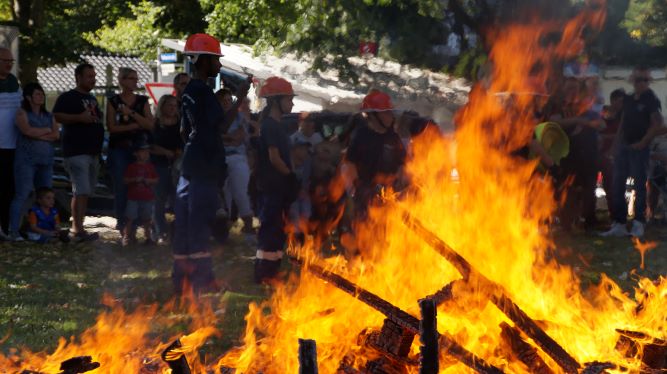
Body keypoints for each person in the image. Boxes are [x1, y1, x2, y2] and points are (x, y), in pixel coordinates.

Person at [172, 33, 227, 294]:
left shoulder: (188, 92)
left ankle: (180, 281)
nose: (219, 65)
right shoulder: (203, 91)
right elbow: (221, 125)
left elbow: (184, 132)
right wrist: (238, 97)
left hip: (190, 167)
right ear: (204, 61)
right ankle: (202, 281)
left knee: (185, 225)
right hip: (203, 168)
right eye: (216, 60)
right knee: (199, 226)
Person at [602, 67, 665, 237]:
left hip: (639, 148)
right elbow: (622, 123)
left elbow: (657, 123)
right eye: (638, 80)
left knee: (639, 185)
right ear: (633, 81)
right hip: (624, 146)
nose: (642, 83)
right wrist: (615, 145)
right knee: (617, 184)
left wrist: (644, 141)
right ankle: (619, 223)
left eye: (645, 80)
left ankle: (638, 223)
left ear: (648, 82)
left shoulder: (650, 99)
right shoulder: (628, 99)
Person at [53, 63, 104, 242]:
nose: (93, 79)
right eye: (89, 76)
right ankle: (77, 229)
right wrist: (79, 118)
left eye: (94, 75)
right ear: (78, 77)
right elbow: (57, 116)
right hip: (76, 151)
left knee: (87, 191)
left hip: (92, 152)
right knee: (80, 190)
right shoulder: (68, 97)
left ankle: (80, 227)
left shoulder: (92, 99)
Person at [254, 76, 298, 284]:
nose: (292, 103)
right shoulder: (270, 126)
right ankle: (264, 274)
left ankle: (272, 271)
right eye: (289, 99)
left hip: (278, 187)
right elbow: (274, 157)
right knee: (270, 229)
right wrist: (290, 176)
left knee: (278, 230)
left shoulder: (277, 125)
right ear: (276, 101)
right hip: (272, 186)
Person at [342, 90, 407, 221]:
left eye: (390, 112)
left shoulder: (393, 138)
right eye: (386, 112)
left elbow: (402, 164)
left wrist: (400, 183)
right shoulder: (361, 136)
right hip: (365, 197)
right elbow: (349, 166)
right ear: (373, 115)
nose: (391, 116)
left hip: (389, 195)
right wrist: (355, 192)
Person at [8, 83, 60, 241]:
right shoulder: (21, 113)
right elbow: (26, 131)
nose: (41, 97)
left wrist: (38, 133)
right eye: (37, 94)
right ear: (28, 97)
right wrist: (45, 131)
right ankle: (14, 231)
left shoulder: (49, 115)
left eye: (42, 94)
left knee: (46, 196)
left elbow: (56, 135)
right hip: (26, 161)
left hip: (46, 161)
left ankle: (45, 230)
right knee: (22, 194)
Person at [106, 67, 154, 233]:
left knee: (142, 184)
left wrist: (132, 113)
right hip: (119, 149)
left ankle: (142, 222)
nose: (135, 81)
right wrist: (135, 125)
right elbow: (111, 127)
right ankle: (123, 224)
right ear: (122, 80)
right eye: (131, 78)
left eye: (136, 78)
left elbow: (150, 124)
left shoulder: (142, 101)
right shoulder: (113, 101)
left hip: (139, 149)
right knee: (122, 186)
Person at [215, 88, 254, 237]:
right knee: (225, 195)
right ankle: (225, 229)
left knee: (240, 192)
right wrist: (227, 137)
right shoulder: (213, 118)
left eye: (228, 101)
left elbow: (238, 138)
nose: (226, 104)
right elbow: (216, 138)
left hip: (238, 157)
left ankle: (249, 225)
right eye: (223, 101)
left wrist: (224, 137)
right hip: (219, 160)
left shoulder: (239, 117)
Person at [151, 94, 183, 243]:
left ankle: (178, 230)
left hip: (177, 164)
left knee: (178, 198)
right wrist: (165, 152)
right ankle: (160, 231)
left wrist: (178, 152)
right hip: (159, 163)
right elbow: (150, 145)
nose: (172, 108)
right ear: (162, 106)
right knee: (159, 199)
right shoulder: (155, 124)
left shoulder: (180, 123)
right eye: (169, 105)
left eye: (175, 105)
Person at [0, 47, 21, 240]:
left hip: (11, 146)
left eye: (11, 61)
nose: (8, 64)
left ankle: (4, 228)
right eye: (5, 60)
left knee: (8, 189)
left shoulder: (15, 83)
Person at [123, 142, 158, 247]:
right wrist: (134, 179)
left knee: (147, 219)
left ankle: (148, 238)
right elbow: (125, 180)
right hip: (133, 198)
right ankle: (127, 237)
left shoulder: (150, 167)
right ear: (136, 154)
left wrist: (149, 181)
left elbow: (156, 179)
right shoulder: (131, 167)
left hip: (147, 198)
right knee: (129, 218)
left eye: (147, 152)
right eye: (143, 152)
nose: (146, 154)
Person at [599, 88, 625, 215]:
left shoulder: (624, 117)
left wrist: (605, 137)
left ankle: (616, 215)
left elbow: (622, 135)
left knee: (612, 184)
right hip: (597, 152)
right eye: (619, 101)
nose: (621, 104)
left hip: (614, 155)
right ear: (612, 101)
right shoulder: (602, 112)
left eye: (623, 102)